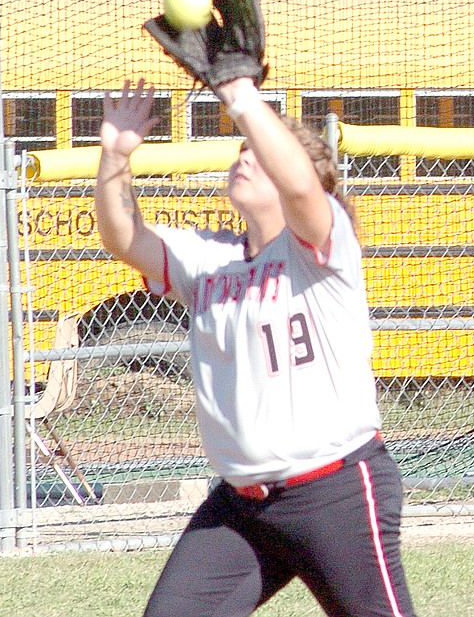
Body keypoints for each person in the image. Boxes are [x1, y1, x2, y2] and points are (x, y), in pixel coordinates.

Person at [95, 76, 418, 617]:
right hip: (242, 510)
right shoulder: (208, 258)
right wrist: (114, 157)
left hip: (334, 490)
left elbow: (300, 191)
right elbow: (123, 239)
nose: (244, 159)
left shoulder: (322, 246)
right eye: (240, 152)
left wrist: (241, 96)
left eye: (259, 156)